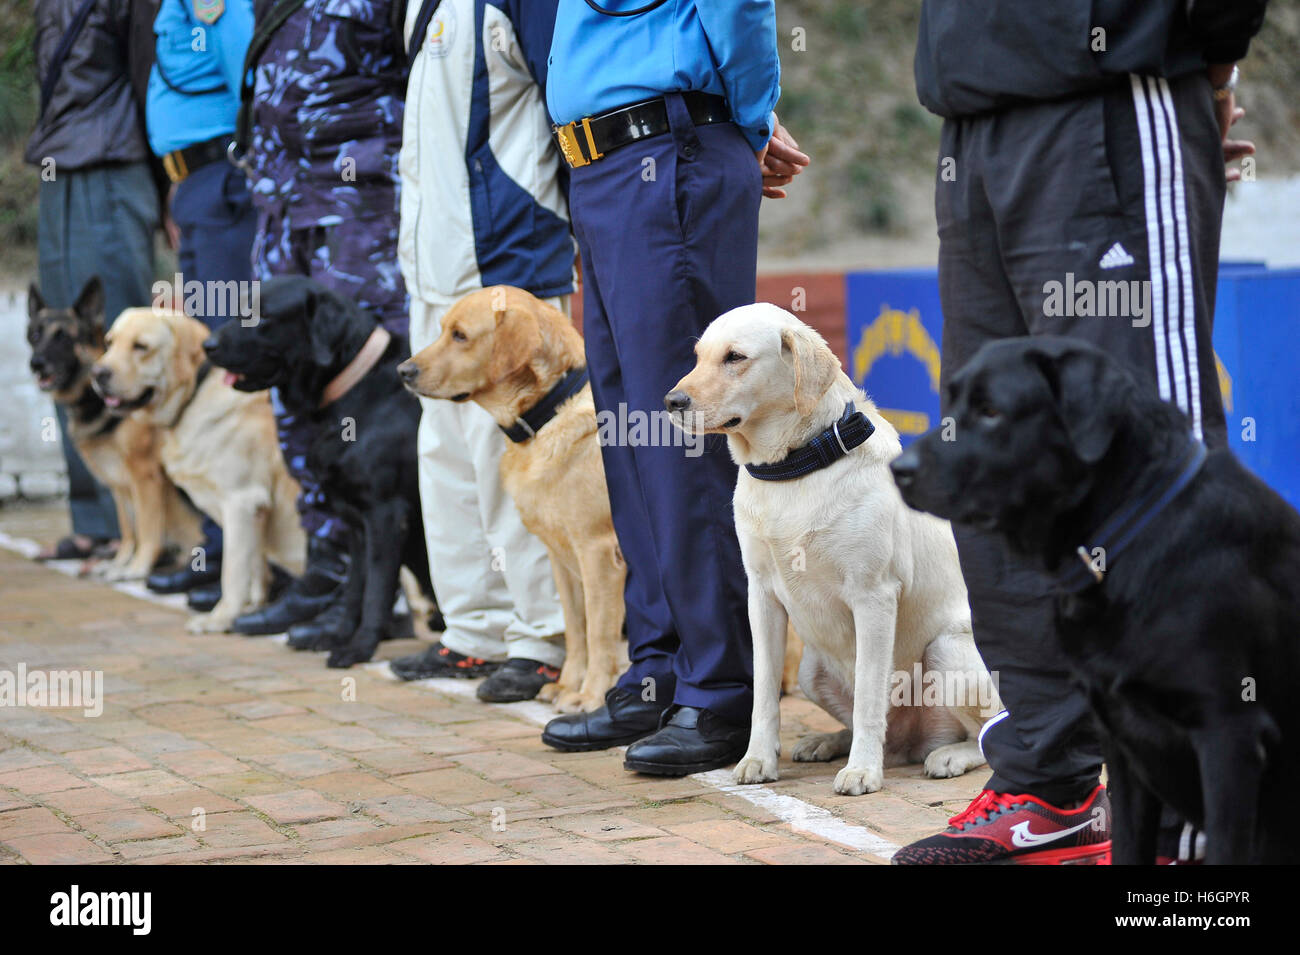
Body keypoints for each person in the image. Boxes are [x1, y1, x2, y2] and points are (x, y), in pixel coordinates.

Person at [892, 0, 1268, 865]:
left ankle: (1202, 809)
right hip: (975, 124)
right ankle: (1048, 773)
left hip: (1106, 105)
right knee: (995, 464)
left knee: (1156, 469)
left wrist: (1213, 70)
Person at [539, 0, 808, 775]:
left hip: (668, 153)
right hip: (601, 168)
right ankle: (659, 667)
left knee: (685, 432)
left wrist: (748, 124)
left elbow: (740, 11)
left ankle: (720, 688)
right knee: (631, 433)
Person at [387, 0, 571, 700]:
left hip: (507, 266)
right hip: (432, 272)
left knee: (517, 465)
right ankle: (473, 631)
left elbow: (568, 99)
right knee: (446, 459)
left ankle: (542, 635)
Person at [229, 0, 409, 638]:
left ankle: (371, 587)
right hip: (280, 207)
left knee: (361, 393)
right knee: (289, 387)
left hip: (359, 206)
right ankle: (327, 565)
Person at [27, 0, 159, 562]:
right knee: (57, 344)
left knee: (115, 338)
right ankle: (93, 518)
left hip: (113, 166)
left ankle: (144, 523)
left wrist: (166, 185)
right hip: (59, 168)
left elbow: (147, 74)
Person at [141, 0, 258, 611]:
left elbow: (247, 77)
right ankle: (219, 546)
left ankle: (235, 551)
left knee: (226, 354)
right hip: (193, 186)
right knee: (208, 352)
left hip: (222, 184)